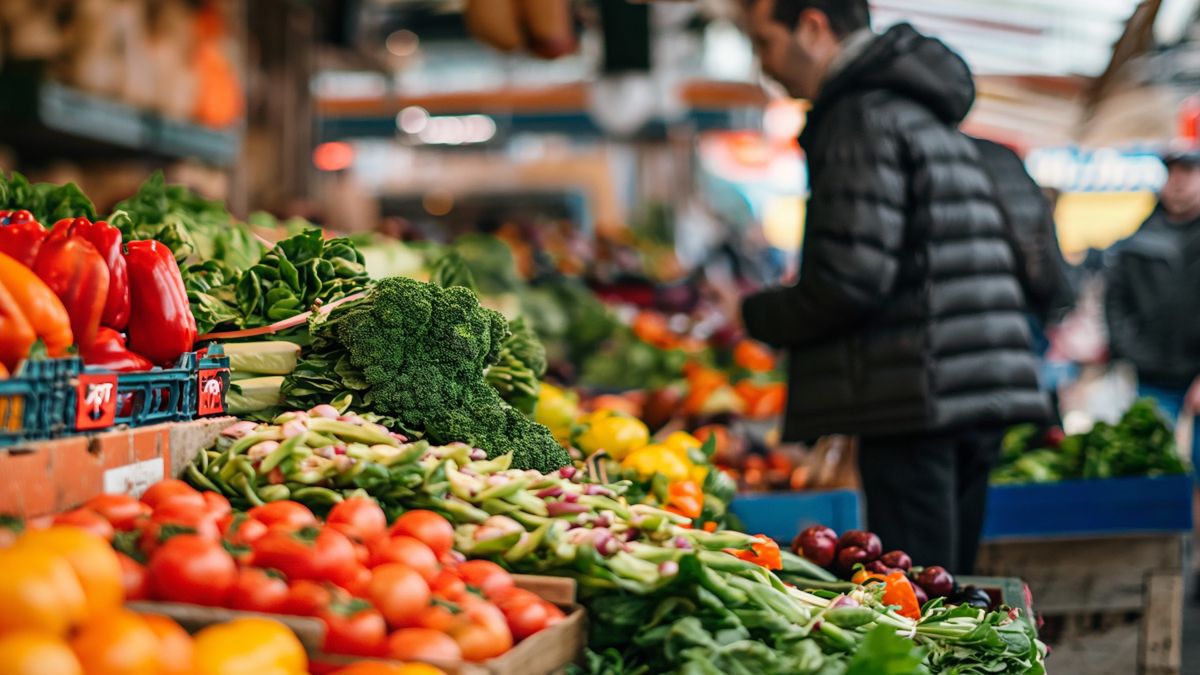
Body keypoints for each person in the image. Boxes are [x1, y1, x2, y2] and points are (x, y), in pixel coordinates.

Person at [738, 0, 1048, 574]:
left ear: (812, 27)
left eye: (765, 44)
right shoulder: (915, 109)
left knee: (919, 601)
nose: (766, 66)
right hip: (968, 387)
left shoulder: (858, 117)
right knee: (946, 590)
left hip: (916, 397)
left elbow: (849, 279)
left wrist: (756, 316)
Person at [1105, 149, 1200, 471]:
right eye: (1173, 173)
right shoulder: (1137, 239)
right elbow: (1115, 301)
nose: (1179, 183)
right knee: (1153, 468)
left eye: (1188, 173)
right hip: (1154, 374)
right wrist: (1132, 350)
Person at [971, 138, 1076, 425]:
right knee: (1025, 419)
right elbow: (1042, 262)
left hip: (966, 320)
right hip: (1022, 314)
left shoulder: (946, 154)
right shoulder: (1007, 161)